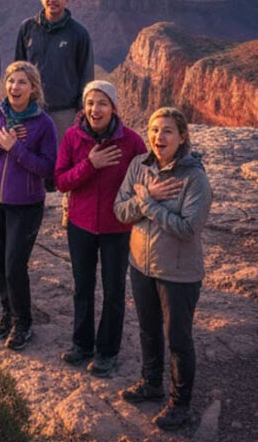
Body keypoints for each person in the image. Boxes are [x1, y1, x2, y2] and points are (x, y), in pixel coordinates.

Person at [114, 107, 212, 431]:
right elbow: (120, 210)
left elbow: (188, 228)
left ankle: (180, 404)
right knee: (148, 329)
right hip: (141, 265)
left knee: (178, 339)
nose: (159, 137)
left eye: (168, 130)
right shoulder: (138, 166)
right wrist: (145, 200)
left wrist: (149, 204)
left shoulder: (194, 177)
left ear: (182, 137)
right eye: (155, 129)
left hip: (178, 274)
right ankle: (151, 382)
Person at [55, 81, 147, 377]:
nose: (96, 109)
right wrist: (90, 164)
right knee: (82, 287)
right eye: (91, 103)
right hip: (80, 225)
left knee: (113, 290)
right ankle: (81, 344)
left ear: (114, 108)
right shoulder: (72, 137)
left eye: (103, 103)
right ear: (84, 107)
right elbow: (60, 181)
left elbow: (145, 180)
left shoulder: (132, 142)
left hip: (117, 229)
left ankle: (107, 351)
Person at [0, 60, 57, 351]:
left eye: (22, 82)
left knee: (14, 266)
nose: (14, 87)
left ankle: (24, 323)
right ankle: (8, 313)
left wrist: (15, 148)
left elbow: (48, 169)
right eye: (11, 81)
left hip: (26, 206)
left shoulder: (43, 124)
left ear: (33, 89)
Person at [14, 0, 94, 148]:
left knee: (60, 161)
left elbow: (86, 74)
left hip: (64, 113)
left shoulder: (78, 34)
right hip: (31, 110)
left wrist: (81, 110)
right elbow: (17, 69)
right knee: (28, 156)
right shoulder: (27, 28)